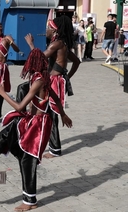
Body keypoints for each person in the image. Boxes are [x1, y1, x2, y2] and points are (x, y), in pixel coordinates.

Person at [0, 48, 73, 211]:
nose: (27, 63)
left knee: (27, 159)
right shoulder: (39, 77)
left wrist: (2, 93)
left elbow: (20, 106)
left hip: (38, 125)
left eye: (30, 60)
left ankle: (30, 201)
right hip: (28, 121)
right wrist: (63, 114)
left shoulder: (39, 81)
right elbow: (55, 97)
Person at [25, 15, 80, 158]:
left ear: (55, 31)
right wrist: (66, 76)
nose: (47, 29)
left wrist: (31, 44)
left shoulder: (55, 44)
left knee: (50, 114)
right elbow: (77, 61)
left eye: (49, 27)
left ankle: (55, 149)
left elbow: (38, 58)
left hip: (54, 82)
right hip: (55, 80)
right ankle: (39, 141)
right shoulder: (62, 43)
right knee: (43, 110)